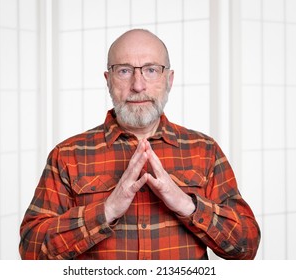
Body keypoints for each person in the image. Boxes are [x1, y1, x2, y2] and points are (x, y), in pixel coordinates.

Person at [19, 29, 260, 260]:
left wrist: (187, 204)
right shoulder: (67, 156)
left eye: (151, 70)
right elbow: (31, 250)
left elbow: (246, 246)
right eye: (124, 71)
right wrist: (106, 210)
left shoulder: (205, 150)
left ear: (169, 79)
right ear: (108, 79)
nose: (138, 85)